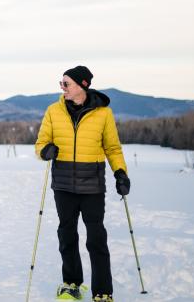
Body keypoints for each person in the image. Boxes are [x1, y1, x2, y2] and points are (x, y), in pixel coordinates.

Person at [34, 66, 130, 302]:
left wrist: (120, 172)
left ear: (82, 85)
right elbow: (40, 144)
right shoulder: (53, 111)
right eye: (61, 83)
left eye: (66, 83)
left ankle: (102, 291)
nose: (62, 88)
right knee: (67, 235)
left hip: (92, 185)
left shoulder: (103, 113)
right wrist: (46, 150)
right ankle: (72, 284)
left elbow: (112, 148)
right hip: (64, 185)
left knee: (96, 237)